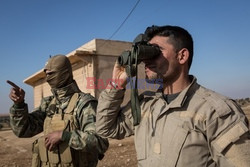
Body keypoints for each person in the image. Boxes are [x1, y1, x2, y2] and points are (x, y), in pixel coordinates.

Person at [96, 25, 250, 167]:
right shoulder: (146, 104)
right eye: (146, 52)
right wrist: (116, 85)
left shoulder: (215, 112)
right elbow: (105, 129)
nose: (146, 60)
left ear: (182, 56)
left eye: (155, 51)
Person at [8, 55, 109, 167]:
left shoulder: (84, 103)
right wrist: (19, 105)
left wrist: (65, 136)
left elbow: (101, 142)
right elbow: (23, 130)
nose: (48, 78)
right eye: (46, 74)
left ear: (65, 74)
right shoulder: (48, 104)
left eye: (51, 74)